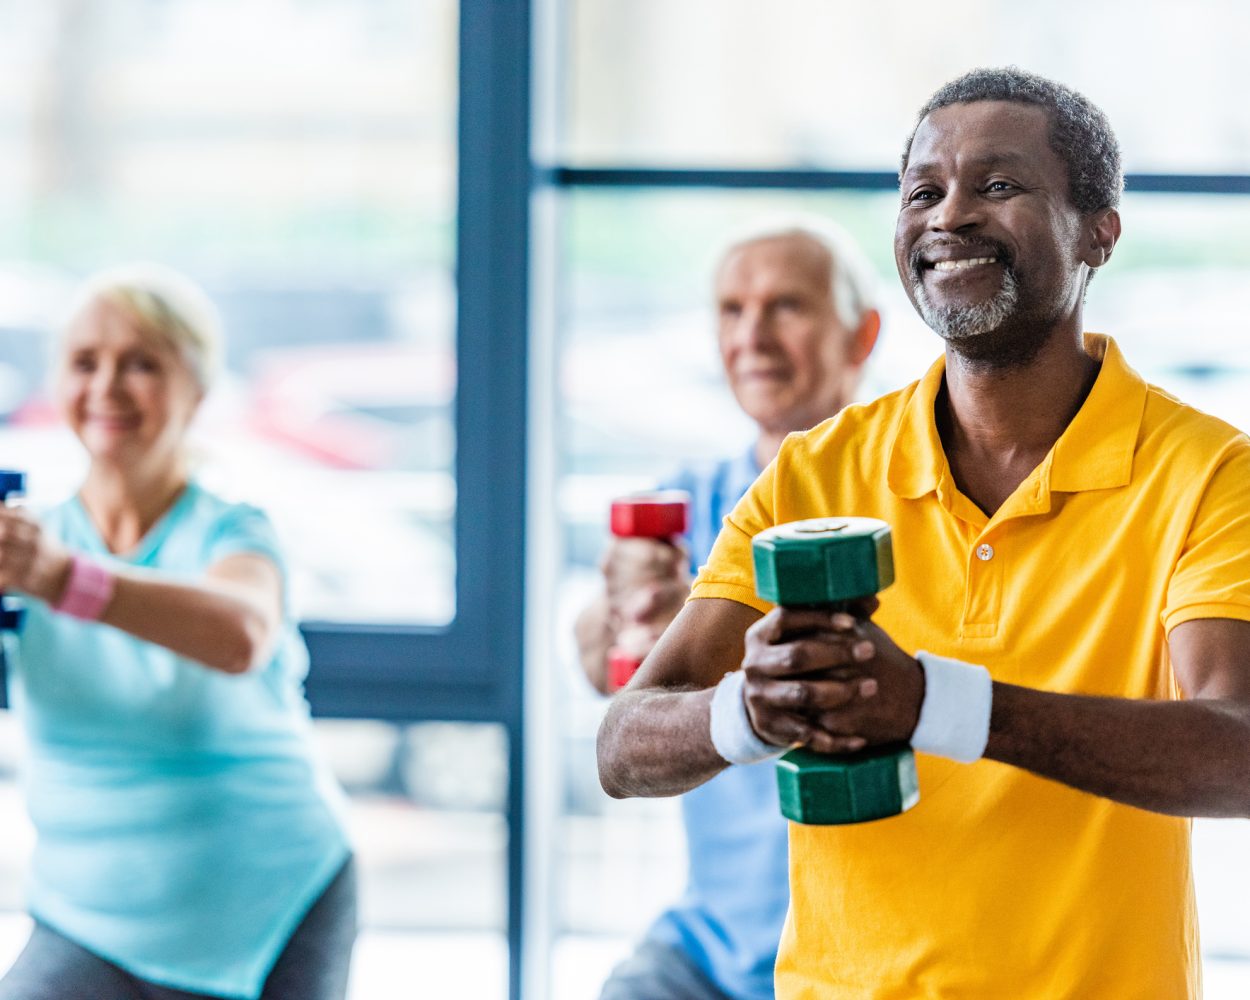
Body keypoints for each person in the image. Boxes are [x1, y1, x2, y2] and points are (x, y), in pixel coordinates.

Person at [597, 66, 1250, 1000]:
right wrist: (748, 711)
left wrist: (932, 705)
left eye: (998, 185)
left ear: (1100, 229)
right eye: (923, 191)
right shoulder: (816, 468)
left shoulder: (1207, 473)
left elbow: (1239, 746)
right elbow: (623, 742)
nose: (949, 217)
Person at [0, 265, 355, 1000]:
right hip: (83, 919)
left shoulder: (231, 530)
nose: (108, 386)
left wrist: (65, 578)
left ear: (196, 389)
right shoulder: (29, 545)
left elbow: (240, 634)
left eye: (142, 364)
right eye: (85, 362)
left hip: (263, 904)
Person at [575, 220, 880, 1000]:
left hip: (871, 946)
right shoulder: (691, 501)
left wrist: (720, 636)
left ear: (862, 334)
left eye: (787, 307)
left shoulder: (903, 495)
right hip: (713, 946)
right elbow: (596, 659)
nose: (754, 336)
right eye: (732, 310)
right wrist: (627, 606)